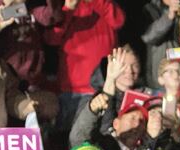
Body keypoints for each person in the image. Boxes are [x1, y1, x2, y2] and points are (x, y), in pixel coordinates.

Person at [44, 0, 125, 130]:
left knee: (101, 141)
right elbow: (51, 38)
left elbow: (118, 20)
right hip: (72, 91)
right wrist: (68, 9)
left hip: (105, 88)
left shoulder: (103, 3)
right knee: (71, 141)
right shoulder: (62, 6)